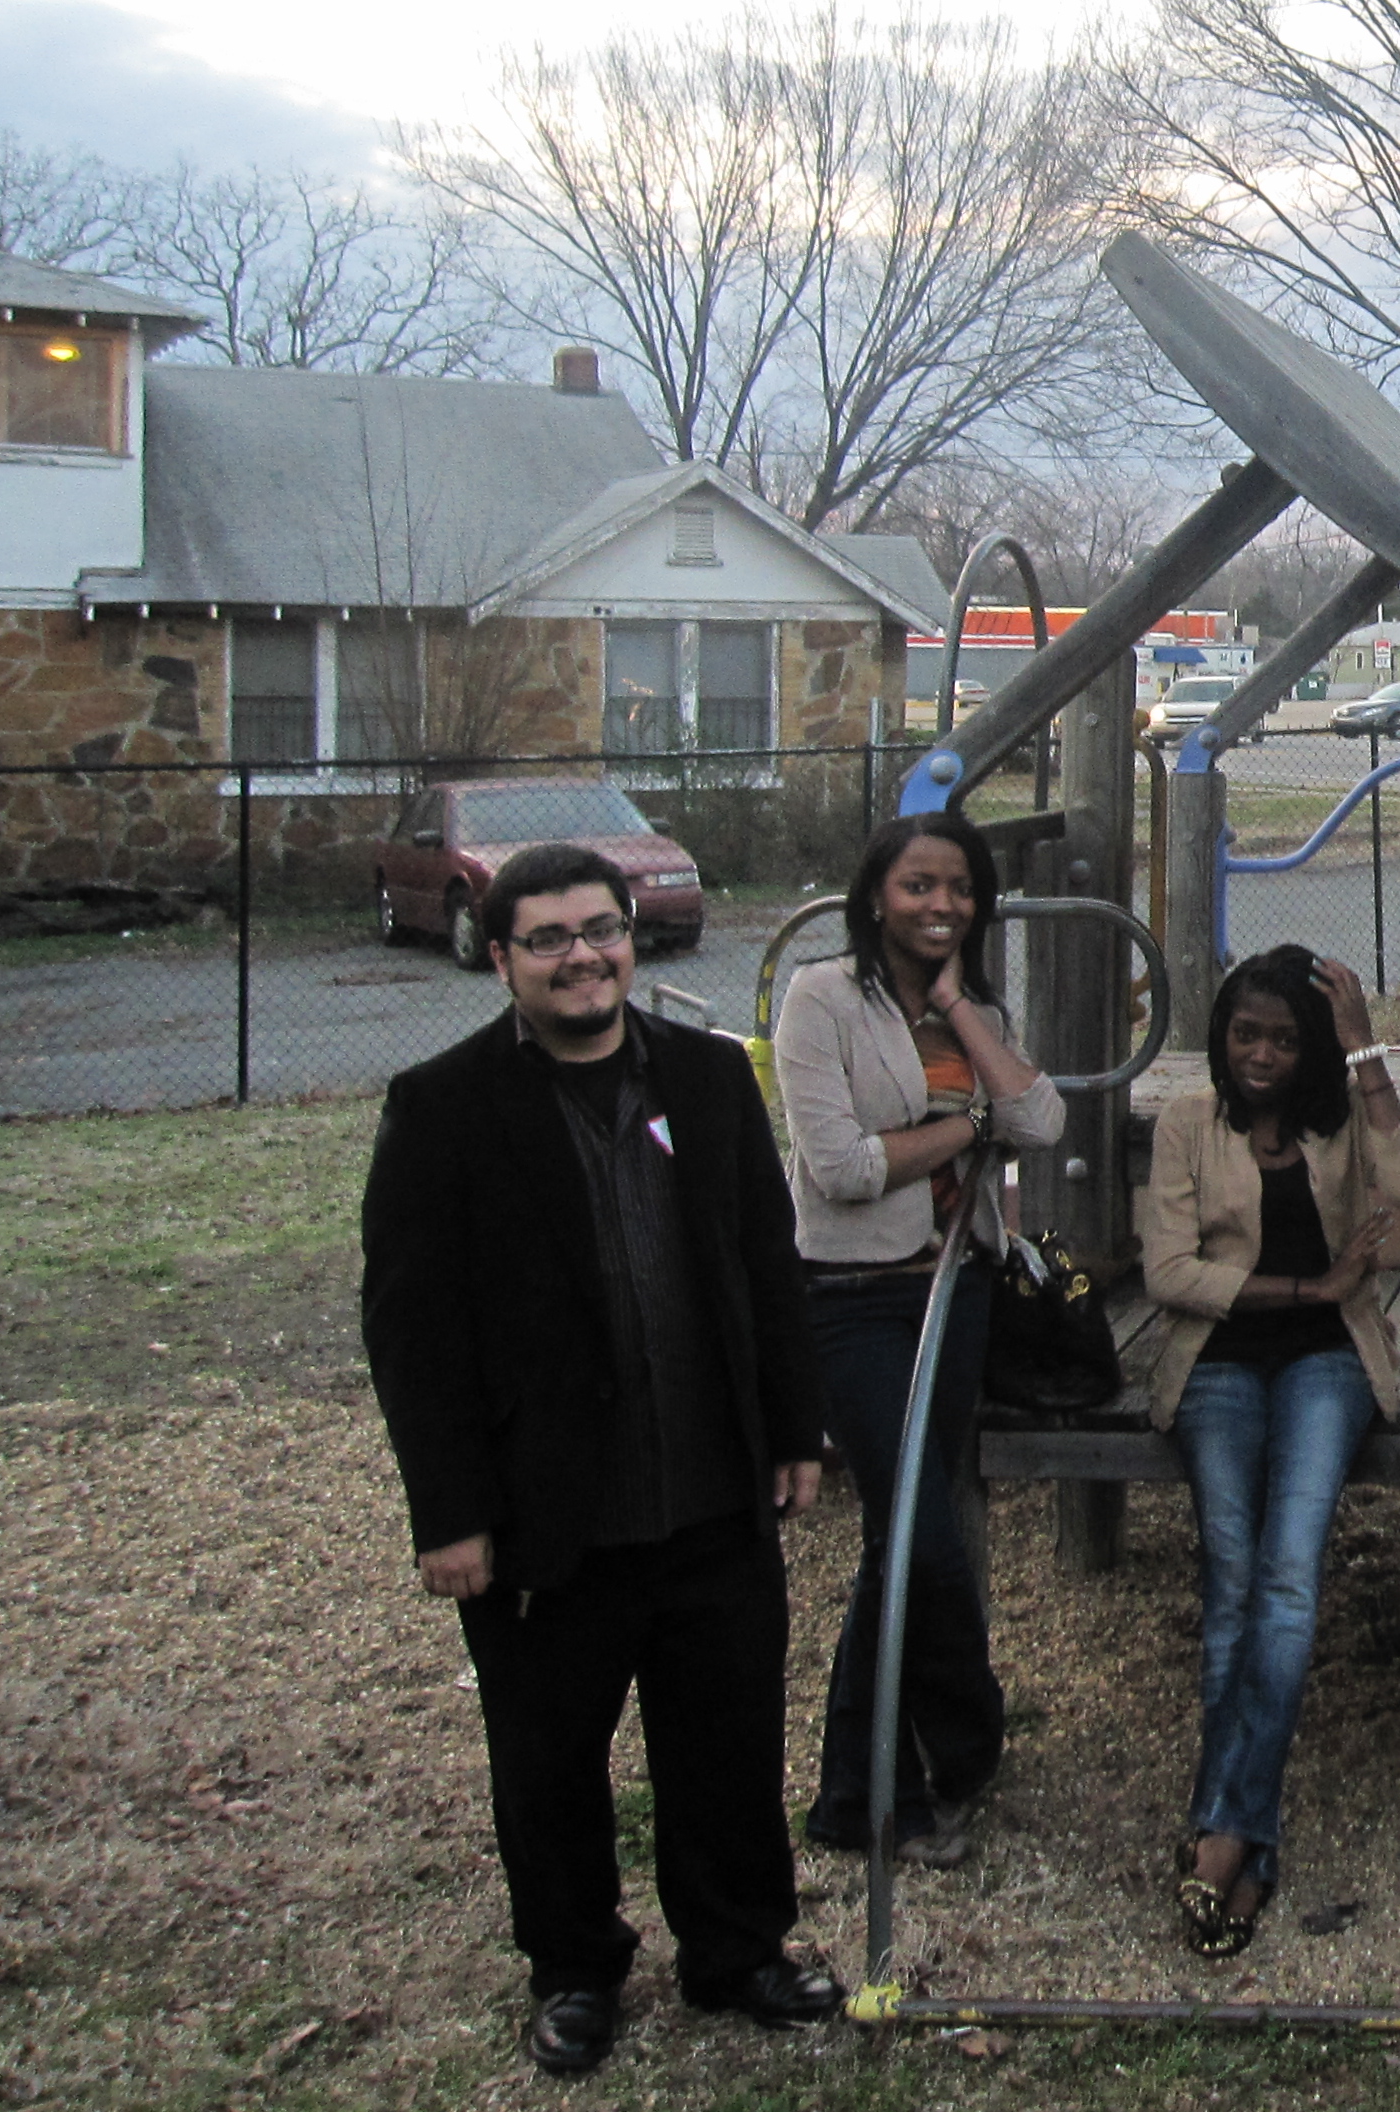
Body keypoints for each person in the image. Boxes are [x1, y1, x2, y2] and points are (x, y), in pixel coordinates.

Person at [361, 842, 844, 2078]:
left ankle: (737, 1950)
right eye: (550, 939)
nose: (583, 957)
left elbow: (767, 1262)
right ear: (502, 958)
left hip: (710, 1497)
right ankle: (574, 1970)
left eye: (602, 930)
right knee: (549, 1765)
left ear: (633, 938)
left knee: (727, 1747)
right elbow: (414, 1332)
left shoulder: (709, 1078)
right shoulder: (443, 1107)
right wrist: (449, 1513)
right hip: (549, 1518)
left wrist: (794, 1429)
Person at [773, 812, 1063, 1870]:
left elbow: (1042, 1122)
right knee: (918, 1539)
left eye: (960, 889)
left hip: (957, 1288)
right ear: (875, 896)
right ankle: (964, 1732)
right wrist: (969, 1129)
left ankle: (866, 1794)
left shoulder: (974, 1009)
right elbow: (843, 1169)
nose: (941, 906)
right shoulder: (821, 999)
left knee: (900, 1539)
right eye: (918, 886)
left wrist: (957, 1009)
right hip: (855, 1298)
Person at [1139, 945, 1400, 1957]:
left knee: (1288, 1576)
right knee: (1231, 1579)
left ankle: (1220, 1832)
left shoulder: (1338, 1116)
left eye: (1283, 1040)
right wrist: (1308, 1286)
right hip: (1216, 1361)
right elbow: (1170, 1272)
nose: (1260, 1056)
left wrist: (1365, 1053)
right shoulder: (1188, 1122)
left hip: (1327, 1363)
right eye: (1244, 1035)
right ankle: (1246, 1842)